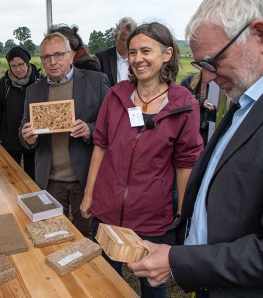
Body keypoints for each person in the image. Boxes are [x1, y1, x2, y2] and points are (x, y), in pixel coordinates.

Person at [129, 1, 263, 297]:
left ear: (261, 37)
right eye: (201, 66)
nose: (209, 77)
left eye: (212, 62)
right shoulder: (250, 95)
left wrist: (177, 262)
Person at [80, 22, 203, 297]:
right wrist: (89, 195)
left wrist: (182, 218)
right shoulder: (115, 95)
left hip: (150, 219)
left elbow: (185, 166)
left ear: (167, 54)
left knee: (152, 284)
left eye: (146, 51)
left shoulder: (184, 105)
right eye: (133, 52)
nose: (138, 59)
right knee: (105, 280)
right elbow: (100, 146)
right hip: (107, 212)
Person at [19, 32, 110, 237]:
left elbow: (111, 126)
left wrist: (89, 130)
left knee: (87, 235)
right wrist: (27, 138)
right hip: (50, 179)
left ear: (71, 55)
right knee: (52, 234)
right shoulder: (33, 90)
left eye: (59, 54)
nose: (53, 62)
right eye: (46, 57)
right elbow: (24, 126)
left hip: (85, 178)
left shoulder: (96, 81)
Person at [0, 47, 42, 180]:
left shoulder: (40, 82)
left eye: (21, 64)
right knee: (11, 178)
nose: (18, 69)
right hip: (10, 139)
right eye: (14, 66)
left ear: (27, 62)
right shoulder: (4, 83)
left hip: (34, 140)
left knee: (33, 178)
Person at [96, 17, 137, 86]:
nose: (126, 45)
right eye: (123, 40)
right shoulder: (101, 58)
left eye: (130, 41)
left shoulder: (139, 59)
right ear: (115, 37)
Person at [180, 72, 216, 145]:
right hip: (192, 131)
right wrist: (200, 103)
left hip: (214, 131)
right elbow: (179, 106)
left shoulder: (224, 82)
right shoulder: (189, 80)